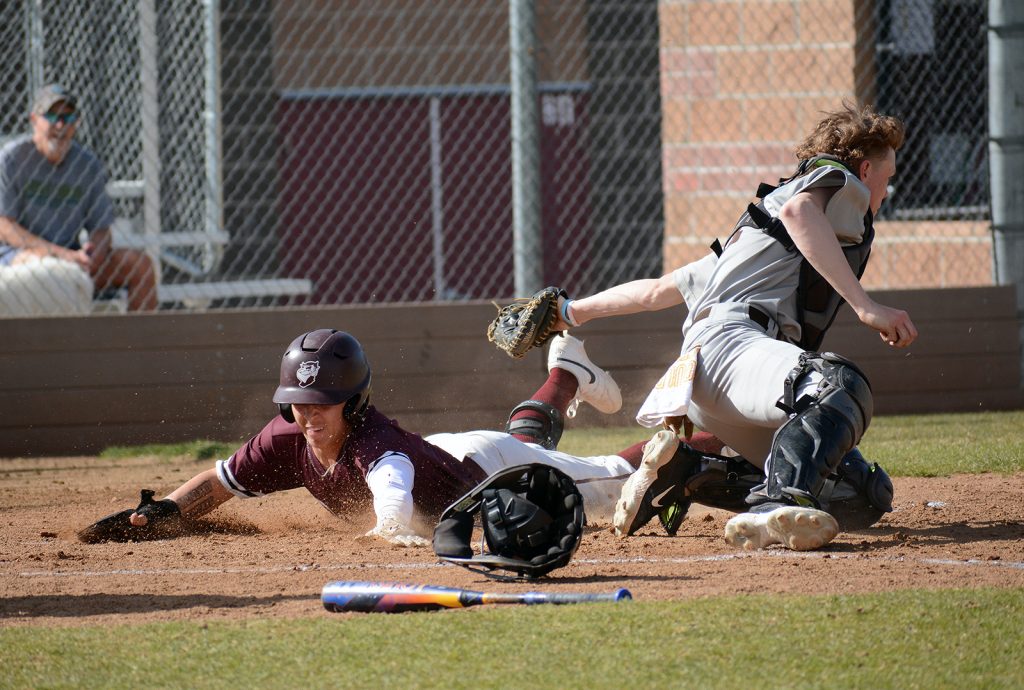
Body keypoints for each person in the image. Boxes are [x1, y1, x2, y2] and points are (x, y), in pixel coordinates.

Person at [554, 102, 914, 551]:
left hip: (709, 380)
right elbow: (802, 213)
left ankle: (690, 471)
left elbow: (653, 293)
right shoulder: (838, 184)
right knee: (839, 386)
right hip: (734, 349)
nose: (885, 190)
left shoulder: (751, 237)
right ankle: (774, 506)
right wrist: (865, 307)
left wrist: (570, 311)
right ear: (864, 167)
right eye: (886, 176)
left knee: (861, 495)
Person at [107, 328, 649, 547]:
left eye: (325, 403)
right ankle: (566, 372)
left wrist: (390, 526)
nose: (310, 415)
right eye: (299, 402)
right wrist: (164, 513)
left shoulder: (376, 445)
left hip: (490, 472)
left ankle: (710, 429)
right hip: (449, 454)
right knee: (534, 447)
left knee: (618, 478)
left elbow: (392, 486)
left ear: (355, 401)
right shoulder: (287, 436)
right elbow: (220, 482)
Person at [0, 83, 157, 312]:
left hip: (75, 258)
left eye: (68, 116)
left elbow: (101, 228)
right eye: (52, 116)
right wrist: (61, 255)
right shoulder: (11, 159)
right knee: (46, 273)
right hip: (21, 256)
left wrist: (94, 253)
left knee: (140, 266)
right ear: (34, 120)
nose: (60, 125)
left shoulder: (87, 165)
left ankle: (137, 345)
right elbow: (5, 227)